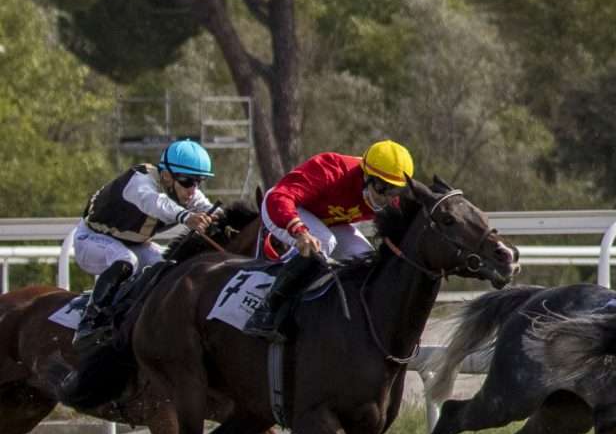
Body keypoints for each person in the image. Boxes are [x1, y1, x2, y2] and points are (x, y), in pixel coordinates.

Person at [247, 139, 415, 342]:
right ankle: (266, 311)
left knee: (367, 258)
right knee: (324, 242)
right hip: (283, 209)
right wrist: (299, 231)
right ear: (365, 175)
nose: (387, 198)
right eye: (382, 188)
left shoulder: (392, 199)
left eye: (395, 190)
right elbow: (280, 197)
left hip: (329, 220)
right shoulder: (331, 168)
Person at [69, 138, 218, 320]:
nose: (192, 190)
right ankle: (91, 319)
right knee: (127, 259)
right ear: (166, 176)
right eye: (187, 181)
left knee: (168, 265)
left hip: (132, 244)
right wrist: (186, 217)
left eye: (198, 182)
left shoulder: (187, 192)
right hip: (90, 240)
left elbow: (213, 211)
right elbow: (155, 203)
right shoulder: (140, 182)